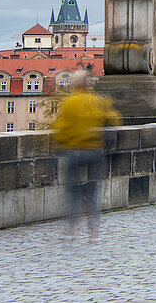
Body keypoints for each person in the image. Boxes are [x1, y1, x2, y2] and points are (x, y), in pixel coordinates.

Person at [50, 70, 122, 239]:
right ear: (88, 84)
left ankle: (73, 228)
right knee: (92, 191)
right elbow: (115, 119)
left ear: (74, 85)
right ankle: (94, 231)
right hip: (95, 152)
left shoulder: (69, 102)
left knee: (73, 191)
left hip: (74, 152)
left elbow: (61, 128)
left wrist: (62, 143)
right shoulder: (97, 101)